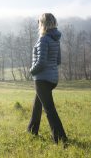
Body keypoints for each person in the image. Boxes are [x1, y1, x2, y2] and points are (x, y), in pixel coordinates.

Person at [27, 13, 68, 144]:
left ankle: (61, 139)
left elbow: (41, 62)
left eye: (39, 22)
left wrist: (31, 71)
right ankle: (32, 130)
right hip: (52, 79)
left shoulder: (44, 39)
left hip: (42, 79)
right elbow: (58, 60)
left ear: (43, 23)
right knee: (37, 104)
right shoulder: (55, 39)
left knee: (49, 110)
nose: (38, 24)